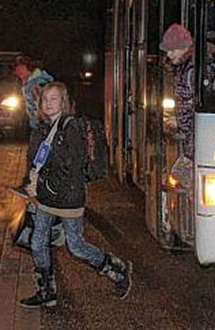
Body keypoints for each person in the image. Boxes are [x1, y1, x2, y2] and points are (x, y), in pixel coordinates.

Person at [19, 82, 132, 308]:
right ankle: (46, 291)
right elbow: (36, 162)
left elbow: (70, 168)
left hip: (68, 199)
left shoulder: (72, 128)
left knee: (76, 246)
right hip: (45, 198)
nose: (48, 103)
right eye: (45, 99)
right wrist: (29, 182)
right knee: (37, 244)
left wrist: (41, 186)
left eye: (54, 99)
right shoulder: (42, 129)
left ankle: (117, 269)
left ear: (63, 102)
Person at [160, 24, 197, 190]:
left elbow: (193, 104)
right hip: (192, 140)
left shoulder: (190, 71)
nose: (169, 54)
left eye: (172, 50)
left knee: (179, 177)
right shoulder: (187, 67)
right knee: (179, 177)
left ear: (183, 48)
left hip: (195, 140)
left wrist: (179, 121)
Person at [11, 56, 53, 197]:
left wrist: (44, 121)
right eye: (17, 69)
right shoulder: (30, 81)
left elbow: (44, 103)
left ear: (27, 67)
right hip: (39, 124)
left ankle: (30, 186)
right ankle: (35, 185)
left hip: (43, 125)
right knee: (38, 155)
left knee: (35, 155)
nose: (18, 72)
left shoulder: (37, 83)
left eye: (21, 68)